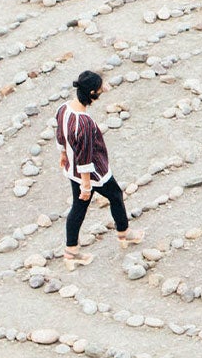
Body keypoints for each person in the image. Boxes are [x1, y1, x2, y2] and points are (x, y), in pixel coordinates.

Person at [53, 70, 140, 269]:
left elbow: (60, 134)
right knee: (116, 195)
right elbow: (85, 154)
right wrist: (86, 183)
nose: (102, 91)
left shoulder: (64, 108)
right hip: (93, 172)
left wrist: (63, 155)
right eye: (100, 89)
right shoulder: (84, 123)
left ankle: (71, 251)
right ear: (92, 93)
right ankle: (124, 233)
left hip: (72, 168)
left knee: (79, 208)